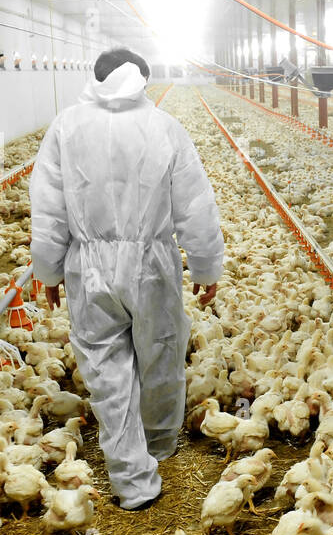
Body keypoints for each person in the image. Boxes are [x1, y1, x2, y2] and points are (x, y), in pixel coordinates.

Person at [29, 47, 225, 510]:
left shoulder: (66, 127)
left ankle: (132, 479)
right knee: (160, 352)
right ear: (143, 78)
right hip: (151, 263)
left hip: (89, 264)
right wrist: (205, 264)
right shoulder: (163, 127)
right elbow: (194, 203)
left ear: (94, 78)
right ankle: (158, 442)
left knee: (103, 368)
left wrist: (49, 270)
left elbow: (49, 208)